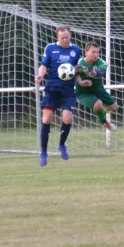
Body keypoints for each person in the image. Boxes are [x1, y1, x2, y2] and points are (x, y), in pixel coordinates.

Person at [34, 26, 82, 166]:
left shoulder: (76, 50)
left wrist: (80, 80)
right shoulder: (50, 48)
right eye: (62, 38)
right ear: (57, 37)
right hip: (52, 88)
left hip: (68, 90)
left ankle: (61, 144)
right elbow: (44, 65)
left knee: (67, 118)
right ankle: (43, 152)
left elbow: (77, 70)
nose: (65, 40)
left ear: (70, 35)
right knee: (46, 119)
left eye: (67, 37)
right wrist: (40, 75)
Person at [75, 41, 119, 132]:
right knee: (98, 104)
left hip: (98, 90)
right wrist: (81, 82)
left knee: (115, 108)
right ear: (86, 53)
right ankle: (105, 123)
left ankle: (99, 110)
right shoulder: (79, 62)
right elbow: (75, 73)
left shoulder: (101, 62)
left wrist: (94, 73)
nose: (96, 54)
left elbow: (101, 71)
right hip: (84, 93)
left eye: (97, 52)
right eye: (93, 52)